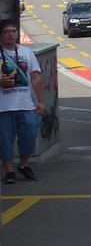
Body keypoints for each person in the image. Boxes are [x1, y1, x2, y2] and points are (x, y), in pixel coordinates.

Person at [0, 17, 46, 183]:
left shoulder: (27, 53)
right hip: (3, 107)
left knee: (29, 134)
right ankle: (9, 170)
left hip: (25, 104)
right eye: (6, 32)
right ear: (0, 35)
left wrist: (41, 101)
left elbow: (35, 77)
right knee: (5, 139)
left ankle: (24, 165)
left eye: (13, 31)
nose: (11, 35)